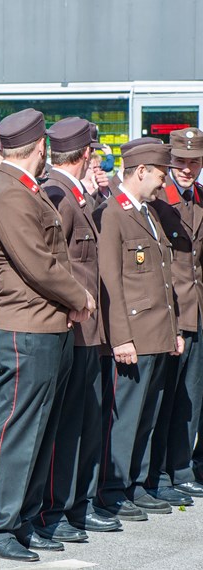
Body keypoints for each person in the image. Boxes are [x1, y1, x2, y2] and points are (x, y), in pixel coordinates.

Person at [0, 108, 95, 562]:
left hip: (45, 324)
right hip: (25, 327)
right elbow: (38, 263)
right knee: (17, 431)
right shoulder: (9, 193)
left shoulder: (22, 189)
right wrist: (80, 298)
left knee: (39, 429)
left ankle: (21, 520)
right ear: (40, 147)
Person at [38, 117, 121, 539]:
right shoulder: (57, 195)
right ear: (86, 153)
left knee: (87, 424)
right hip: (73, 327)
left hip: (91, 330)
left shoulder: (75, 194)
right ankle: (56, 510)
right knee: (67, 427)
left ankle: (76, 506)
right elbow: (58, 264)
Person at [95, 138, 183, 521]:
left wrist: (174, 329)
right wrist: (122, 337)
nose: (163, 182)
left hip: (158, 332)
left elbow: (163, 278)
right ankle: (113, 488)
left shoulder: (148, 212)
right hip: (134, 335)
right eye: (159, 174)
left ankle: (137, 483)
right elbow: (110, 280)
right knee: (127, 417)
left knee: (148, 414)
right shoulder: (113, 213)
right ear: (141, 171)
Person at [148, 127, 203, 503]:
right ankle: (160, 474)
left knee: (191, 398)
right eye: (180, 162)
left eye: (193, 162)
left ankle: (182, 469)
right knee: (165, 398)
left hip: (196, 310)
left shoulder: (200, 197)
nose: (186, 169)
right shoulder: (158, 201)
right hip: (170, 312)